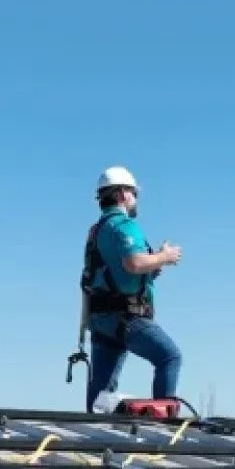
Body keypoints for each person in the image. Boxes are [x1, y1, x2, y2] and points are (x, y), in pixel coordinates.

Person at [77, 167, 184, 413]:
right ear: (123, 194)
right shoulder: (124, 226)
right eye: (134, 194)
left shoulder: (96, 231)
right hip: (126, 316)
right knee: (169, 357)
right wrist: (165, 256)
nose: (136, 200)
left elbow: (120, 270)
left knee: (101, 391)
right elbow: (133, 263)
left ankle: (94, 436)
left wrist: (154, 263)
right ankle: (164, 426)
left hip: (101, 317)